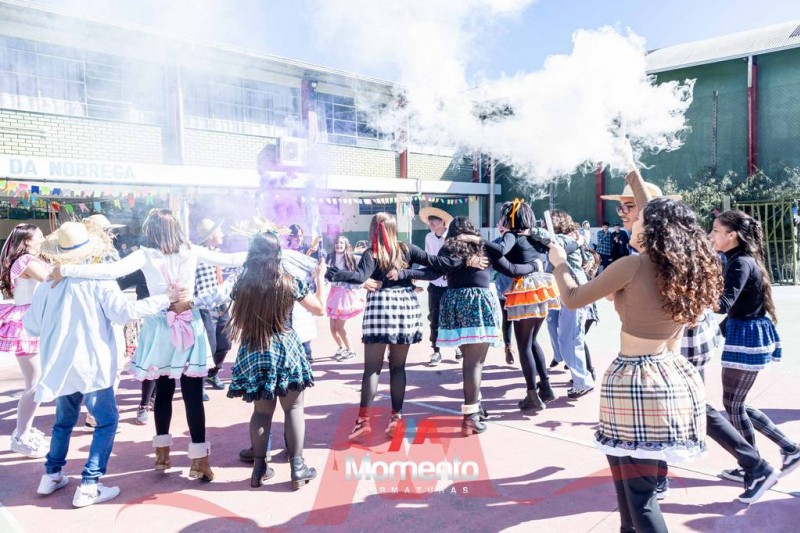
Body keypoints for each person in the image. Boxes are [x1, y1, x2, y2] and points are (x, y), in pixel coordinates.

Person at [548, 157, 717, 531]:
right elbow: (654, 210)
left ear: (651, 227)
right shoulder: (681, 266)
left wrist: (559, 263)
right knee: (635, 492)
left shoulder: (633, 265)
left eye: (638, 216)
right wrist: (629, 168)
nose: (632, 219)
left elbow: (572, 298)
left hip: (634, 382)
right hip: (670, 374)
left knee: (638, 498)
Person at [52, 208, 247, 482]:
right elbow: (233, 259)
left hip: (158, 327)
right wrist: (272, 249)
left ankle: (162, 455)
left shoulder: (145, 255)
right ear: (176, 228)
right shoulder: (191, 251)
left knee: (163, 391)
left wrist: (65, 269)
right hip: (188, 323)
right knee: (193, 395)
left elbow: (109, 271)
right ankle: (199, 461)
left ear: (151, 230)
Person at [25, 222, 185, 508]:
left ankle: (51, 474)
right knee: (107, 421)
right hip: (92, 364)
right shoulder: (98, 280)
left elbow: (32, 326)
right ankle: (89, 484)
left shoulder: (48, 283)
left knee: (63, 421)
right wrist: (166, 299)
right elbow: (125, 313)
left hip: (60, 366)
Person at [393, 217, 535, 435]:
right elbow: (513, 269)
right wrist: (534, 265)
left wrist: (406, 273)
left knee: (469, 363)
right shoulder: (484, 248)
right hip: (478, 304)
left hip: (454, 305)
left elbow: (432, 272)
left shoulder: (449, 247)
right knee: (474, 364)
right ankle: (470, 417)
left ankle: (476, 406)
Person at [219, 231, 324, 489]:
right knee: (294, 408)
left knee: (261, 412)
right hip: (285, 345)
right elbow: (319, 308)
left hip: (255, 347)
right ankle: (297, 467)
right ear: (278, 253)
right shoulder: (289, 281)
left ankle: (259, 469)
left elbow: (227, 306)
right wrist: (320, 278)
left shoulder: (242, 284)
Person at [325, 212, 439, 440]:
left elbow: (359, 277)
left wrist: (332, 272)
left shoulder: (372, 253)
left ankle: (363, 422)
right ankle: (396, 419)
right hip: (405, 307)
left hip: (380, 306)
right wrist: (408, 274)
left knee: (372, 368)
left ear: (373, 229)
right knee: (398, 368)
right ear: (394, 228)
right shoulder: (407, 249)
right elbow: (436, 268)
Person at [710, 210, 800, 479]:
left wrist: (693, 291)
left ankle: (753, 465)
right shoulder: (742, 260)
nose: (711, 235)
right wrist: (718, 330)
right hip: (748, 334)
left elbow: (723, 304)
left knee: (733, 404)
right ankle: (789, 449)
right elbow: (740, 306)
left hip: (747, 338)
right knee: (736, 403)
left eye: (716, 230)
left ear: (732, 235)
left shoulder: (739, 263)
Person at [491, 200, 561, 410]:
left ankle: (532, 394)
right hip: (542, 288)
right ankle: (545, 387)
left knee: (524, 345)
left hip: (525, 289)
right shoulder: (532, 237)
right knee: (532, 341)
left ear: (509, 220)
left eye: (502, 218)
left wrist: (481, 242)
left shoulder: (511, 236)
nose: (499, 222)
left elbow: (500, 252)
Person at [0, 224, 51, 458]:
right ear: (28, 241)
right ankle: (21, 436)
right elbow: (50, 280)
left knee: (37, 382)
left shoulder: (30, 259)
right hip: (28, 323)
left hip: (34, 320)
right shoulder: (26, 260)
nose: (43, 237)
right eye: (39, 235)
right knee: (34, 384)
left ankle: (24, 431)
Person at [536, 210, 595, 399]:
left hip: (573, 293)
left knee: (570, 339)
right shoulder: (570, 239)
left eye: (545, 224)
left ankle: (583, 381)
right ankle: (566, 362)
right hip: (564, 293)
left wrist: (530, 231)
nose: (542, 227)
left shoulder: (563, 239)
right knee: (558, 329)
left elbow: (557, 245)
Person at [193, 218, 232, 397]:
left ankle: (213, 373)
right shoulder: (196, 255)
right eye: (219, 231)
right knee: (208, 345)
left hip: (221, 303)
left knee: (225, 343)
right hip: (204, 306)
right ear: (210, 236)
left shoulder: (218, 253)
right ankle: (199, 383)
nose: (222, 234)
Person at [419, 206, 459, 366]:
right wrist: (417, 275)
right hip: (435, 283)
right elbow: (427, 258)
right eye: (429, 220)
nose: (431, 223)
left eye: (434, 220)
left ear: (442, 221)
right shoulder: (428, 237)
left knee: (453, 316)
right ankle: (436, 351)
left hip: (451, 283)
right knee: (434, 317)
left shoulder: (452, 237)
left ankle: (457, 346)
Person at [326, 235, 366, 362]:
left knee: (339, 326)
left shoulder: (352, 258)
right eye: (337, 243)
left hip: (345, 295)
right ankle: (342, 348)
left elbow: (365, 265)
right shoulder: (329, 257)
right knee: (333, 328)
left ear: (346, 246)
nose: (338, 245)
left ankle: (351, 350)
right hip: (333, 294)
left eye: (341, 243)